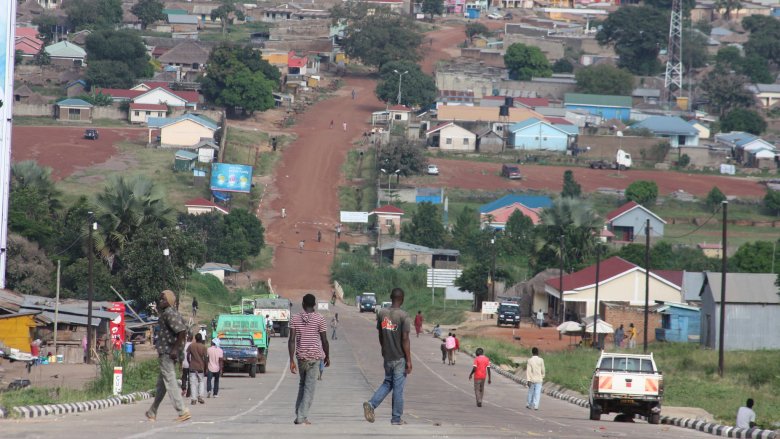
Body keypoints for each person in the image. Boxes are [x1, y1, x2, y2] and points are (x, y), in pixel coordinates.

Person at [363, 288, 412, 426]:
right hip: (399, 357)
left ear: (391, 297)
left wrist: (384, 349)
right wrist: (408, 360)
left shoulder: (382, 313)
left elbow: (380, 335)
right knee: (398, 388)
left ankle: (371, 404)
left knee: (387, 382)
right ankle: (396, 418)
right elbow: (405, 339)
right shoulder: (404, 316)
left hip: (387, 356)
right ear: (402, 299)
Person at [146, 290, 191, 422]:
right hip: (168, 351)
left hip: (167, 352)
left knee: (170, 381)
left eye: (164, 299)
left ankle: (182, 411)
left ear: (170, 301)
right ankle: (152, 411)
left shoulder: (169, 313)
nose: (161, 301)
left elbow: (182, 332)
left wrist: (175, 349)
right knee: (162, 385)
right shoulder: (170, 313)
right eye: (160, 299)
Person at [289, 293, 330, 425]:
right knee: (309, 388)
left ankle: (299, 413)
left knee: (302, 385)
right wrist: (327, 356)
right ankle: (302, 416)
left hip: (301, 358)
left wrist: (291, 360)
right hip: (314, 358)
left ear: (302, 304)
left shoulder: (295, 318)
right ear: (314, 305)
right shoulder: (319, 319)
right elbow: (324, 340)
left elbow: (291, 341)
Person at [186, 333, 208, 405]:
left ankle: (193, 399)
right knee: (201, 382)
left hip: (192, 367)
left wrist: (190, 362)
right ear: (201, 339)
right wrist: (206, 368)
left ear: (195, 339)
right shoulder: (204, 347)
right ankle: (200, 397)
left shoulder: (191, 345)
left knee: (193, 383)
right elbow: (206, 358)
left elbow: (187, 355)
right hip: (200, 367)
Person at [181, 333, 192, 398]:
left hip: (184, 364)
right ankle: (189, 392)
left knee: (184, 377)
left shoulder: (184, 345)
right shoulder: (193, 346)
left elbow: (181, 355)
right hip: (191, 364)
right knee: (190, 378)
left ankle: (184, 388)